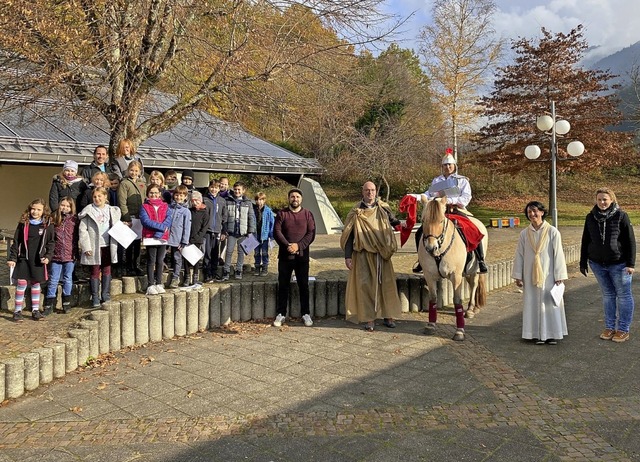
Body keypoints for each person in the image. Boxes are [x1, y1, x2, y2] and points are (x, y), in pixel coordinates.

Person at [340, 181, 402, 331]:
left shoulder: (383, 208)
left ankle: (388, 315)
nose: (370, 193)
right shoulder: (356, 211)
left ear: (376, 192)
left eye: (373, 190)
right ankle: (369, 318)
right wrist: (348, 256)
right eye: (367, 190)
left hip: (382, 254)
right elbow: (348, 235)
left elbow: (394, 222)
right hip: (362, 254)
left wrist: (404, 225)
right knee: (366, 286)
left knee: (386, 284)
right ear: (363, 192)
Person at [413, 150, 487, 274]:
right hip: (438, 212)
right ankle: (421, 260)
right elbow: (429, 194)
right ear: (441, 167)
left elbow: (466, 197)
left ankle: (480, 260)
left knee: (472, 228)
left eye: (449, 165)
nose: (447, 167)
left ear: (454, 166)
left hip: (456, 210)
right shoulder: (437, 181)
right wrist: (417, 197)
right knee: (420, 232)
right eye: (445, 165)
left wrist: (449, 200)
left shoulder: (462, 180)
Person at [580, 187, 636, 343]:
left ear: (612, 200)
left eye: (605, 199)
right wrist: (583, 261)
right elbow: (586, 240)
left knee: (624, 296)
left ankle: (623, 329)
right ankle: (610, 327)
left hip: (619, 264)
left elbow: (630, 241)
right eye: (599, 199)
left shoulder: (621, 216)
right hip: (598, 264)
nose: (602, 202)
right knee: (608, 296)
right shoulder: (590, 217)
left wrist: (631, 263)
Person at [512, 201, 568, 345]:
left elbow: (558, 255)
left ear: (542, 212)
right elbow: (519, 254)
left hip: (549, 274)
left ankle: (551, 334)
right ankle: (534, 334)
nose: (532, 214)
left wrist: (559, 275)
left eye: (535, 211)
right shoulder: (525, 233)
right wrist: (518, 275)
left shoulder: (552, 232)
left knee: (549, 303)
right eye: (529, 212)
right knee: (532, 303)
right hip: (530, 274)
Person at [273, 188, 316, 327]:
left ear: (301, 199)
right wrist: (288, 246)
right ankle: (281, 314)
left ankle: (306, 313)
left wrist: (298, 246)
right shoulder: (282, 214)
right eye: (292, 196)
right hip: (285, 257)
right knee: (283, 285)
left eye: (297, 196)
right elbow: (277, 232)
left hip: (302, 258)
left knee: (303, 286)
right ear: (289, 198)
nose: (295, 199)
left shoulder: (308, 214)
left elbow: (311, 233)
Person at [7, 198, 55, 322]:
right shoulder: (23, 223)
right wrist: (12, 258)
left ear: (44, 211)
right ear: (29, 209)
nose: (35, 212)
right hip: (24, 259)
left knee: (35, 284)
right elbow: (16, 241)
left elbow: (51, 243)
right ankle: (17, 311)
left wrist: (48, 257)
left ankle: (35, 310)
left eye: (39, 209)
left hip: (38, 260)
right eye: (33, 209)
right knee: (21, 284)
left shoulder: (47, 225)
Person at [78, 187, 121, 307]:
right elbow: (83, 230)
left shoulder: (112, 210)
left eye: (99, 196)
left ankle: (105, 294)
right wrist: (86, 247)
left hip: (108, 244)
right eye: (95, 197)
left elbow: (117, 225)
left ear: (105, 197)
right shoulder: (88, 211)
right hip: (94, 246)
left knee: (107, 269)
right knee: (95, 270)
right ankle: (95, 297)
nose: (97, 199)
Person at [43, 197, 79, 315]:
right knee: (53, 279)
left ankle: (66, 302)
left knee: (68, 278)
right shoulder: (53, 218)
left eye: (68, 206)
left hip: (70, 254)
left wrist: (76, 252)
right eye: (63, 205)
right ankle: (49, 304)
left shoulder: (74, 220)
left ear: (71, 208)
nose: (65, 208)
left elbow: (77, 236)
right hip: (55, 255)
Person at [140, 184, 172, 295]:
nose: (154, 195)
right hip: (150, 237)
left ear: (160, 194)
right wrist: (161, 228)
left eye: (156, 193)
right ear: (148, 194)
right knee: (151, 261)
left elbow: (168, 219)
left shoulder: (165, 205)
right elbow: (145, 221)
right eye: (151, 193)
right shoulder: (144, 206)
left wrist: (160, 231)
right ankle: (150, 284)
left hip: (162, 237)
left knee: (160, 260)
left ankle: (159, 282)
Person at [221, 181, 256, 280]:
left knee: (241, 252)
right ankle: (226, 270)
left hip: (243, 232)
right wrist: (224, 229)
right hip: (231, 231)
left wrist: (250, 231)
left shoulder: (248, 202)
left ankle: (239, 270)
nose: (237, 191)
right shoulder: (228, 200)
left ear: (243, 191)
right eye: (235, 189)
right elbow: (225, 217)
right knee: (229, 251)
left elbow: (251, 217)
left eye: (239, 190)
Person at [117, 160, 146, 276]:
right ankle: (129, 266)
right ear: (128, 171)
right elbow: (122, 202)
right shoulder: (124, 183)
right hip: (130, 217)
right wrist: (127, 217)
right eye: (132, 170)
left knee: (138, 243)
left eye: (136, 171)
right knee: (129, 243)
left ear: (139, 172)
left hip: (140, 217)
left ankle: (136, 265)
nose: (134, 173)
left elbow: (144, 199)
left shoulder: (142, 183)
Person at [167, 185, 192, 288]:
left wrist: (184, 241)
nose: (179, 197)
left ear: (185, 197)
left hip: (178, 239)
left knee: (177, 258)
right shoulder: (168, 208)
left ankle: (175, 278)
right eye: (177, 195)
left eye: (181, 196)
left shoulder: (186, 211)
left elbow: (187, 227)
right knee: (161, 257)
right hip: (166, 238)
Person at [203, 179, 227, 282]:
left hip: (217, 230)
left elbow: (224, 217)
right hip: (207, 230)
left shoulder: (222, 201)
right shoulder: (204, 199)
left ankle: (214, 272)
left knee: (215, 253)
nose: (214, 189)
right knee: (207, 252)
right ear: (209, 188)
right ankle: (207, 273)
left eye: (216, 188)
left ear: (219, 189)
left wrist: (223, 231)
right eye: (212, 187)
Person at [185, 190, 209, 287]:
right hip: (188, 238)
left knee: (195, 259)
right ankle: (187, 277)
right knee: (186, 258)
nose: (195, 203)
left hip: (198, 239)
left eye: (197, 201)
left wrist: (198, 237)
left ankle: (195, 277)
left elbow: (205, 227)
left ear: (201, 201)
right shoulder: (189, 211)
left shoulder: (205, 213)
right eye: (193, 201)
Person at [253, 192, 275, 276]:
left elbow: (271, 223)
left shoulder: (268, 210)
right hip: (255, 234)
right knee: (256, 252)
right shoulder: (253, 210)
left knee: (265, 252)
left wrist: (271, 235)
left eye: (261, 199)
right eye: (257, 200)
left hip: (265, 235)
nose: (259, 202)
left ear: (264, 200)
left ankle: (265, 266)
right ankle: (257, 266)